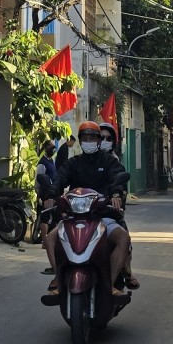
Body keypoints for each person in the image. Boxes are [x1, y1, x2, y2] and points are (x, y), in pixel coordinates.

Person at [45, 119, 131, 298]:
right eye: (85, 138)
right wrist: (51, 196)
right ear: (80, 140)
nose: (89, 142)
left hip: (102, 216)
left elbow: (117, 179)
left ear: (98, 140)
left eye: (92, 138)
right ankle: (59, 279)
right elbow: (60, 179)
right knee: (50, 239)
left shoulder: (109, 162)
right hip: (74, 217)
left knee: (123, 238)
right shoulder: (73, 163)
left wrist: (116, 194)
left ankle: (110, 284)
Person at [98, 119, 139, 289]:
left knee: (124, 237)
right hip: (85, 212)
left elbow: (120, 186)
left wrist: (116, 196)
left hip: (109, 211)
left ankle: (126, 269)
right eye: (101, 137)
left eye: (108, 138)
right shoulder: (82, 161)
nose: (104, 141)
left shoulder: (115, 163)